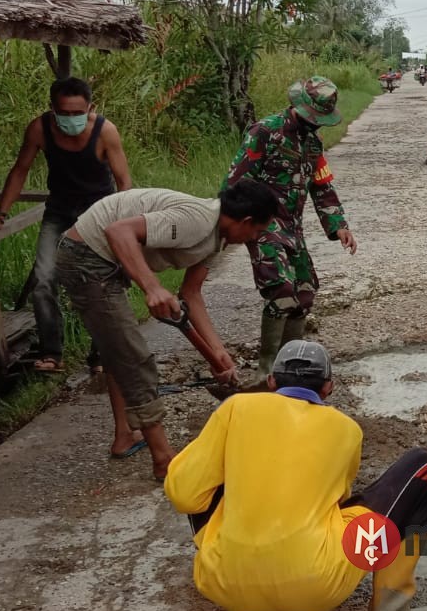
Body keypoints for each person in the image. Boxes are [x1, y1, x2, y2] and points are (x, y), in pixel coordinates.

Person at [164, 340, 427, 611]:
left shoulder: (235, 408)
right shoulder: (347, 430)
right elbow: (338, 500)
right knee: (423, 471)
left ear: (272, 382)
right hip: (315, 589)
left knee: (203, 473)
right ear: (328, 387)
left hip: (223, 584)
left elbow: (184, 495)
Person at [56, 181, 277, 478]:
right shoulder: (198, 220)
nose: (254, 238)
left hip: (104, 258)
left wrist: (217, 352)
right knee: (133, 357)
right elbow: (118, 231)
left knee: (117, 347)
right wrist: (152, 287)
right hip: (85, 255)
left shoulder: (217, 238)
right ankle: (164, 461)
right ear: (247, 221)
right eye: (257, 231)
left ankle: (125, 435)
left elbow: (192, 293)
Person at [0, 76, 131, 373]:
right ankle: (52, 353)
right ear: (52, 109)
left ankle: (102, 354)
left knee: (100, 280)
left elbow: (123, 181)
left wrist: (122, 223)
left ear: (90, 107)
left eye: (77, 113)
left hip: (99, 213)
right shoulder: (39, 129)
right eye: (64, 113)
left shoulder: (105, 132)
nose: (70, 119)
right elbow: (20, 169)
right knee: (43, 280)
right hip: (58, 212)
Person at [223, 77, 358, 380]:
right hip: (261, 224)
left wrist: (339, 226)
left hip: (292, 228)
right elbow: (235, 183)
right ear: (299, 107)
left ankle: (289, 368)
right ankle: (265, 371)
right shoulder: (265, 132)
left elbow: (322, 187)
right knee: (281, 290)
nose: (316, 124)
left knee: (306, 290)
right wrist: (236, 227)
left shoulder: (313, 143)